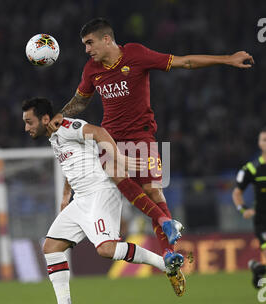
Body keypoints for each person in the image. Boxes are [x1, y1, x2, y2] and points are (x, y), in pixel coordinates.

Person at [48, 17, 254, 286]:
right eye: (85, 45)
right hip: (110, 139)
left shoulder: (135, 54)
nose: (87, 50)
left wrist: (227, 59)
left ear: (106, 39)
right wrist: (59, 116)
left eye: (90, 43)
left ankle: (169, 254)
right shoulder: (91, 70)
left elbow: (184, 61)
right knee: (121, 180)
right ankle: (164, 225)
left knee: (153, 191)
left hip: (142, 136)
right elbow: (80, 102)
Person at [22, 97, 185, 304]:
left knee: (106, 249)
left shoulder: (66, 127)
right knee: (51, 247)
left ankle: (164, 264)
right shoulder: (54, 138)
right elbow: (74, 165)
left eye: (29, 122)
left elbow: (98, 132)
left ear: (45, 119)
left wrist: (117, 158)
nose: (26, 127)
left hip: (101, 190)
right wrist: (66, 195)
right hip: (81, 198)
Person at [232, 127, 266, 288]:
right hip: (262, 220)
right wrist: (243, 209)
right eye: (264, 140)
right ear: (259, 144)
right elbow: (237, 193)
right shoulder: (252, 168)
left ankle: (258, 268)